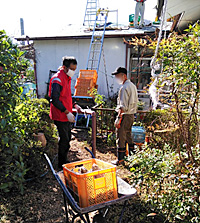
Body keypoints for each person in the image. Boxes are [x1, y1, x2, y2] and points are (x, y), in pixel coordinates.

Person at [49, 56, 81, 169]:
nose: (73, 71)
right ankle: (61, 164)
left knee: (67, 138)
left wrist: (74, 105)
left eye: (74, 69)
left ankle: (64, 160)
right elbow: (55, 99)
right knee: (64, 140)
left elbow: (66, 96)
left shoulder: (66, 77)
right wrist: (67, 112)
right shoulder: (57, 79)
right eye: (72, 69)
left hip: (66, 114)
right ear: (64, 67)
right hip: (60, 115)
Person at [111, 67, 138, 165]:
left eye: (118, 76)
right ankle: (132, 158)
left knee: (121, 137)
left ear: (124, 76)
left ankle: (120, 160)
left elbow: (122, 106)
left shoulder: (124, 88)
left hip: (124, 115)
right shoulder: (132, 86)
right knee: (128, 135)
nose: (117, 78)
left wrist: (118, 119)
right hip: (131, 115)